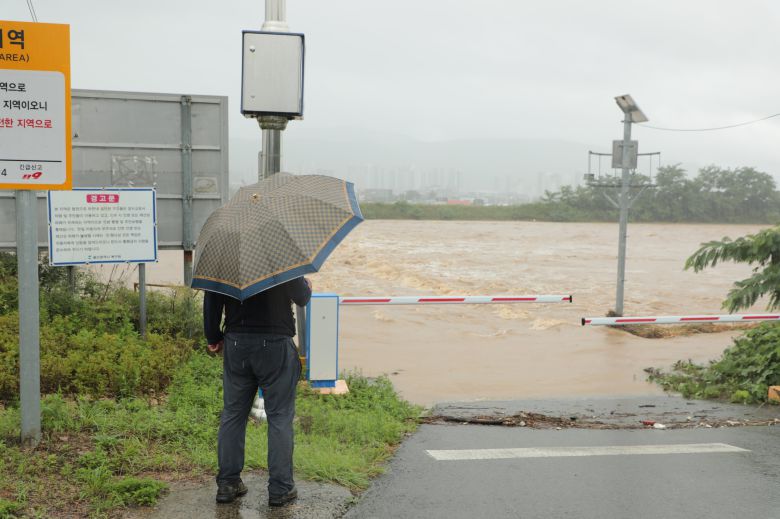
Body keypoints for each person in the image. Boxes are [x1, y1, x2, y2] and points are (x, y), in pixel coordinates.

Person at [203, 276, 312, 506]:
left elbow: (212, 296)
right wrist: (307, 286)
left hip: (236, 344)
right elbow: (301, 297)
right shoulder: (279, 258)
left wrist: (213, 336)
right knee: (280, 417)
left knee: (233, 414)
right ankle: (280, 488)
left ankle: (228, 484)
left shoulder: (225, 261)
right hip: (276, 344)